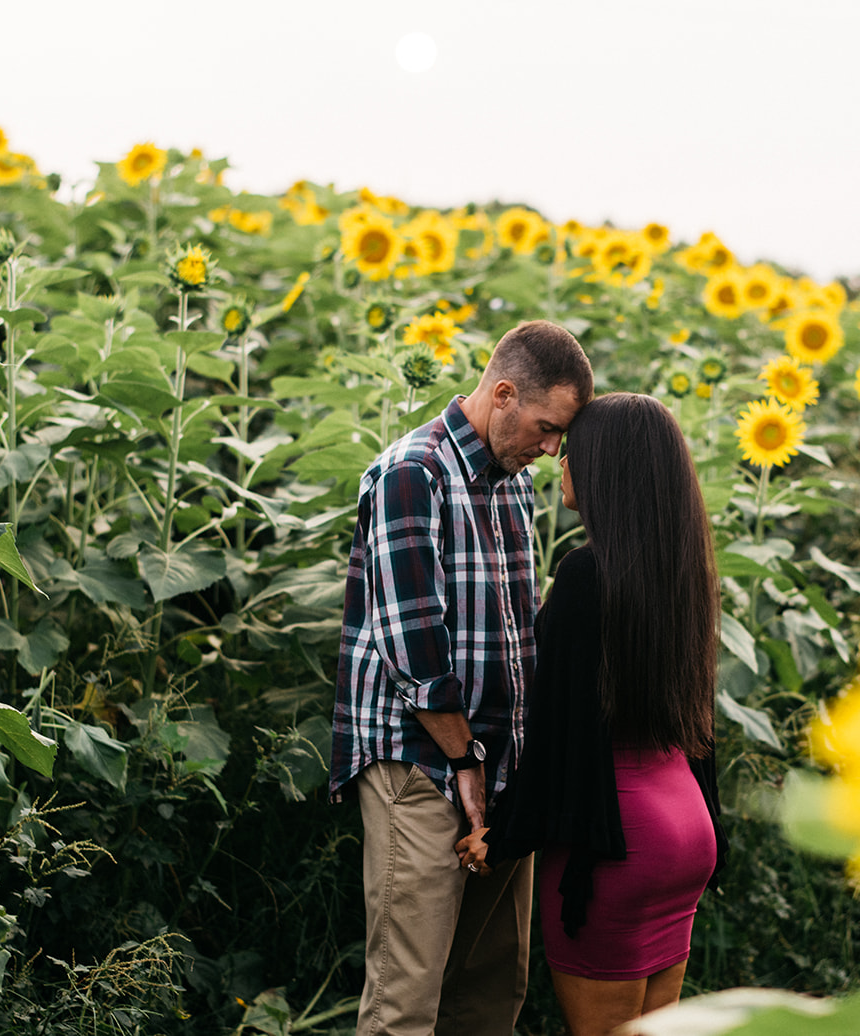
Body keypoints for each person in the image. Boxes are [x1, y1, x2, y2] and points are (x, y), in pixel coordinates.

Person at [331, 319, 594, 1036]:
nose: (548, 450)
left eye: (557, 439)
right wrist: (462, 760)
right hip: (420, 765)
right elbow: (413, 645)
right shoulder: (412, 472)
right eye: (544, 428)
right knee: (405, 999)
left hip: (499, 766)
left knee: (489, 991)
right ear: (503, 394)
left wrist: (510, 766)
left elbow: (515, 633)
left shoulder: (511, 485)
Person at [456, 392, 727, 1036]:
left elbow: (561, 733)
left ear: (605, 468)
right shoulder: (682, 572)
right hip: (685, 829)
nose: (558, 462)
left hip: (619, 844)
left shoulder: (586, 576)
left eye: (571, 451)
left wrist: (504, 837)